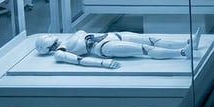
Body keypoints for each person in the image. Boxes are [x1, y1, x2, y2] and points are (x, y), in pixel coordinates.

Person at [34, 29, 202, 69]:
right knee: (144, 49)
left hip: (112, 35)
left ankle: (185, 42)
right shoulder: (60, 52)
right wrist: (103, 63)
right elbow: (80, 60)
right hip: (103, 47)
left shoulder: (67, 38)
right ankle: (181, 52)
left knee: (150, 39)